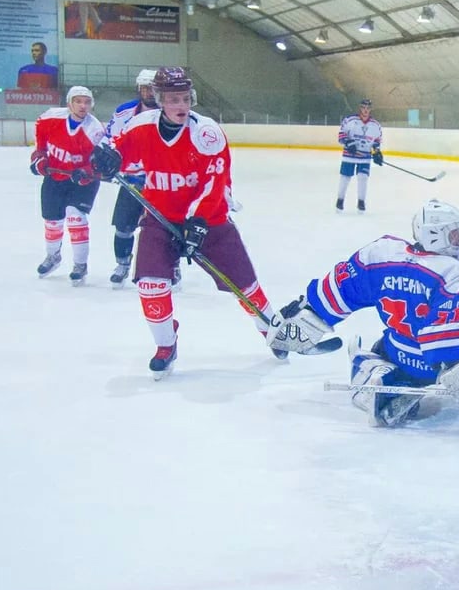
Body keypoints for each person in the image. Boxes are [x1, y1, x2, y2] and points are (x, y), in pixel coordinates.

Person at [88, 66, 282, 378]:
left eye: (185, 99)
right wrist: (105, 159)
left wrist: (199, 220)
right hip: (159, 217)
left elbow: (215, 183)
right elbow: (116, 150)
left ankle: (273, 332)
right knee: (151, 285)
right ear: (160, 100)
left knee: (245, 285)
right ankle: (166, 344)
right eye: (173, 99)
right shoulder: (141, 126)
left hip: (210, 220)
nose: (181, 106)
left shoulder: (207, 133)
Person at [266, 199, 459, 427]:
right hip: (432, 368)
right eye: (454, 234)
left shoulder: (381, 254)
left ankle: (373, 373)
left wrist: (299, 321)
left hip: (397, 352)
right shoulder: (458, 273)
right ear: (435, 235)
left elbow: (339, 292)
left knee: (379, 349)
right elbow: (443, 337)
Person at [105, 69, 176, 289]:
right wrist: (110, 161)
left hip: (163, 183)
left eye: (152, 88)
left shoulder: (171, 112)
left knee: (166, 229)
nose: (148, 92)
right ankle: (123, 264)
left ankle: (172, 266)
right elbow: (111, 139)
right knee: (123, 226)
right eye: (144, 88)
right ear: (139, 89)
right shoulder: (124, 112)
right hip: (132, 180)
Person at [30, 86, 105, 285]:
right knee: (52, 222)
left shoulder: (94, 129)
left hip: (82, 182)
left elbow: (100, 161)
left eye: (87, 102)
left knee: (75, 217)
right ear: (69, 103)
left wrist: (88, 171)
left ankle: (80, 264)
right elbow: (41, 139)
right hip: (55, 177)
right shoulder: (50, 118)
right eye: (78, 101)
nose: (83, 106)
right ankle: (53, 256)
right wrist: (39, 157)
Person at [336, 98, 383, 213]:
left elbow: (377, 140)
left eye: (368, 108)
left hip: (364, 157)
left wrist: (377, 152)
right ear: (360, 108)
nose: (365, 110)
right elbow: (341, 135)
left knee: (363, 178)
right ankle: (340, 200)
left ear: (370, 109)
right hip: (349, 155)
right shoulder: (349, 120)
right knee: (345, 178)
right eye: (363, 108)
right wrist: (348, 143)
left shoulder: (375, 125)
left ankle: (361, 202)